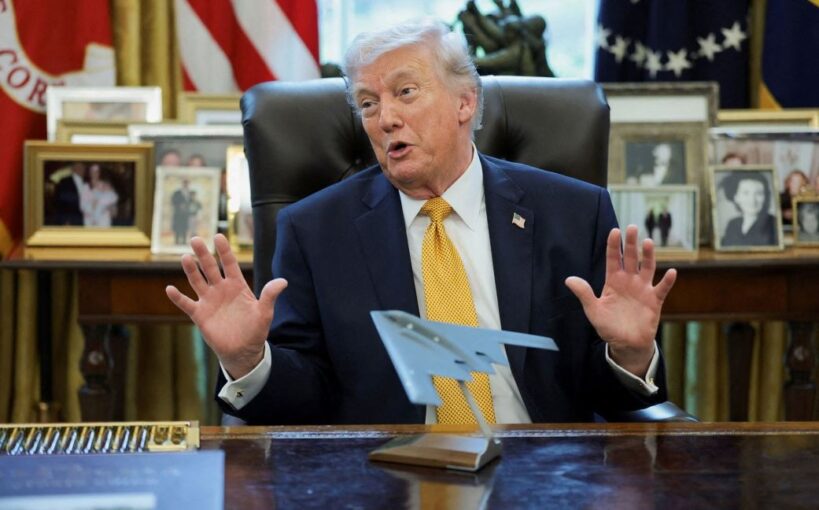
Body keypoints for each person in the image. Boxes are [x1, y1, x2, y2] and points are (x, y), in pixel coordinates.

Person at [166, 19, 677, 425]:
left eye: (405, 93)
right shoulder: (316, 229)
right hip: (386, 476)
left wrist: (629, 353)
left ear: (465, 101)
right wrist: (248, 361)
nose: (384, 118)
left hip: (541, 471)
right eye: (367, 103)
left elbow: (603, 398)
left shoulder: (573, 212)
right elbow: (306, 399)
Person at [720, 172, 778, 247]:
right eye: (746, 193)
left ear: (766, 197)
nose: (752, 200)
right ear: (736, 197)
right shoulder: (733, 224)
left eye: (759, 193)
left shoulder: (773, 223)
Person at [171, 179, 192, 245]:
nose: (186, 185)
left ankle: (184, 241)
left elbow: (192, 202)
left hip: (185, 214)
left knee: (184, 227)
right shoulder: (177, 193)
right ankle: (176, 241)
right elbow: (173, 201)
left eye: (187, 183)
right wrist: (180, 205)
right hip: (178, 214)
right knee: (177, 227)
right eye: (184, 183)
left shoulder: (190, 193)